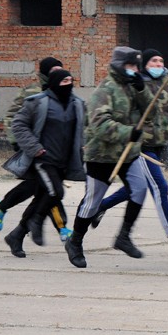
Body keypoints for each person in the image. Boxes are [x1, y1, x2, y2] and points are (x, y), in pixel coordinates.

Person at [95, 49, 168, 261]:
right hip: (140, 145)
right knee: (159, 187)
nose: (158, 64)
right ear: (144, 65)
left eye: (161, 60)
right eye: (153, 61)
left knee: (137, 187)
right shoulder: (135, 84)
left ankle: (102, 205)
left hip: (159, 143)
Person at [64, 47, 152, 269]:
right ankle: (75, 241)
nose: (134, 70)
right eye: (130, 66)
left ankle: (123, 236)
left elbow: (151, 111)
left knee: (140, 189)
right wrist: (128, 132)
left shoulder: (132, 87)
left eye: (136, 66)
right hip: (101, 156)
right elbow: (100, 124)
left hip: (127, 153)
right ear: (119, 66)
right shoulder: (104, 91)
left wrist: (143, 90)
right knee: (92, 202)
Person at [3, 69, 85, 259]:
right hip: (43, 160)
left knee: (41, 198)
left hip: (63, 163)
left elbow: (83, 129)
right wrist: (34, 148)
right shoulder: (38, 102)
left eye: (70, 80)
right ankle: (37, 221)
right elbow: (18, 124)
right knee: (56, 192)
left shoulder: (77, 104)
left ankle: (16, 235)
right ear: (54, 83)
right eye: (64, 81)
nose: (68, 84)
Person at [0, 56, 71, 242]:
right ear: (44, 72)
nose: (58, 74)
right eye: (53, 70)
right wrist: (17, 141)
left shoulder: (64, 92)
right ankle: (60, 227)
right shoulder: (31, 91)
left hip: (52, 152)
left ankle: (5, 209)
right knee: (45, 189)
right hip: (33, 149)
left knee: (42, 189)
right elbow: (12, 117)